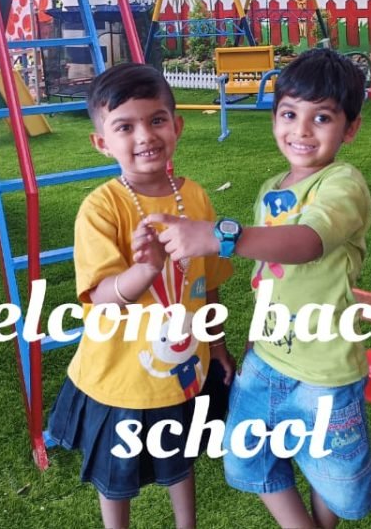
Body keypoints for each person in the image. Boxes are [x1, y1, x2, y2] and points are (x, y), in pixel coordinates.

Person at [142, 48, 371, 528]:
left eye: (322, 117)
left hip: (324, 371)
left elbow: (307, 242)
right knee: (247, 456)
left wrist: (219, 237)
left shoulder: (343, 184)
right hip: (266, 358)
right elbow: (268, 274)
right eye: (289, 114)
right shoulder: (271, 188)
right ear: (274, 118)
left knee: (332, 477)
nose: (302, 130)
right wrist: (254, 337)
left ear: (350, 128)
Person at [47, 62, 235, 529]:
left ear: (177, 126)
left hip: (183, 368)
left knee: (181, 458)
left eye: (156, 120)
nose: (145, 136)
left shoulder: (196, 197)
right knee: (116, 476)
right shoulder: (101, 207)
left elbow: (207, 281)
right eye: (125, 127)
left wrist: (217, 344)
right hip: (120, 376)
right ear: (101, 142)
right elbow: (101, 296)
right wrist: (145, 271)